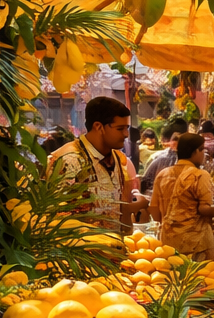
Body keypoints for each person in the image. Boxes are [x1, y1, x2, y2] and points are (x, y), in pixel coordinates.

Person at [48, 97, 144, 232]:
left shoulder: (119, 159)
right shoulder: (67, 160)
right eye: (120, 128)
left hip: (114, 248)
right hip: (79, 250)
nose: (126, 134)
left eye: (127, 128)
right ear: (98, 127)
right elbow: (55, 219)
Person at [148, 133, 214, 261]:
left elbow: (153, 209)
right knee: (201, 278)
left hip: (169, 242)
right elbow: (204, 209)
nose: (204, 154)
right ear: (195, 151)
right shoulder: (199, 175)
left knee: (172, 279)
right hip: (197, 244)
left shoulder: (163, 174)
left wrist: (167, 222)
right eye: (202, 149)